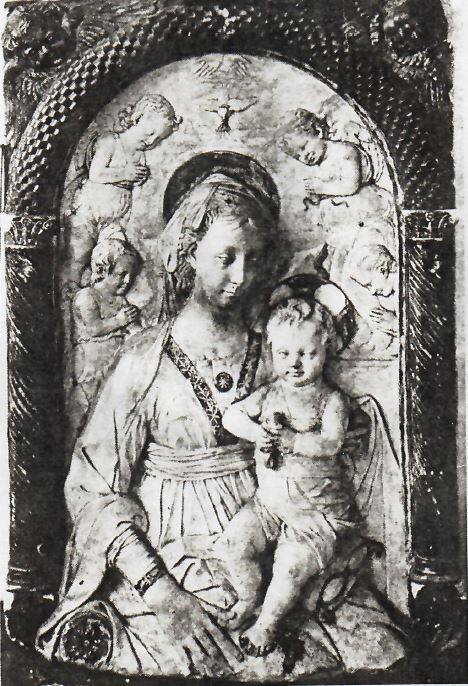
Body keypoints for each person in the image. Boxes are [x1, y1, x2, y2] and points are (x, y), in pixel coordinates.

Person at [37, 168, 405, 680]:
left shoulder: (280, 350)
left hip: (277, 533)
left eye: (253, 258)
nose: (241, 275)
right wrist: (163, 596)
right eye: (226, 257)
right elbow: (93, 489)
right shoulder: (145, 360)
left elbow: (332, 430)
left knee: (372, 643)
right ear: (190, 252)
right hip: (168, 554)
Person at [213, 296, 356, 656]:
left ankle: (267, 623)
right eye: (284, 354)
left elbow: (331, 442)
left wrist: (293, 441)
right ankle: (248, 598)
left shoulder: (332, 400)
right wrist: (255, 433)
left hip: (316, 515)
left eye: (307, 353)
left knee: (290, 567)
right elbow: (231, 417)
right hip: (269, 505)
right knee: (232, 545)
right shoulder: (270, 393)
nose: (294, 363)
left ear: (326, 348)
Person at [65, 94, 182, 289]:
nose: (151, 141)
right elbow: (96, 173)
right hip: (90, 211)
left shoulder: (140, 156)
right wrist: (125, 173)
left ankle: (98, 291)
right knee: (80, 253)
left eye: (158, 139)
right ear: (138, 118)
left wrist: (139, 179)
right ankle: (72, 288)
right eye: (151, 132)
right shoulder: (111, 142)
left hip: (116, 219)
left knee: (115, 256)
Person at [68, 236, 142, 443]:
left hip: (114, 366)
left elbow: (136, 331)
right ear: (102, 270)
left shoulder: (121, 301)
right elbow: (94, 329)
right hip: (90, 368)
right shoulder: (87, 297)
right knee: (86, 412)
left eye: (131, 275)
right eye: (122, 274)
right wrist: (119, 320)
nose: (128, 281)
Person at [277, 108, 374, 203]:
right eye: (297, 157)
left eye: (303, 147)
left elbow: (350, 187)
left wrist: (322, 188)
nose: (304, 156)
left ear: (318, 132)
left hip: (365, 183)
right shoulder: (321, 159)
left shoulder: (345, 152)